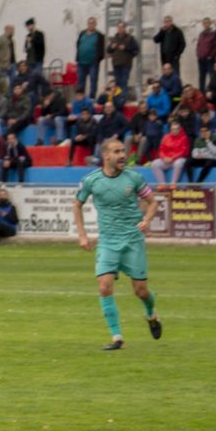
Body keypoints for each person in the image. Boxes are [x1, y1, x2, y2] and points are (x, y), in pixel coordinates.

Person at [75, 138, 161, 350]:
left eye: (124, 151)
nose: (123, 155)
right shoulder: (91, 180)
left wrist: (147, 220)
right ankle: (117, 338)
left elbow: (153, 202)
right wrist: (83, 235)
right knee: (104, 287)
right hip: (107, 242)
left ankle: (151, 314)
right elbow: (77, 205)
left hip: (133, 241)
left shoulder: (134, 178)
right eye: (117, 151)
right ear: (106, 156)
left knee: (141, 291)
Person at [76, 17, 107, 102]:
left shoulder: (99, 35)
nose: (91, 25)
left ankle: (91, 99)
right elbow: (78, 45)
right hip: (81, 63)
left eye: (93, 23)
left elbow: (102, 50)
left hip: (93, 63)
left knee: (93, 82)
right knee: (80, 83)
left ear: (95, 24)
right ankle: (81, 99)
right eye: (89, 23)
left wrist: (98, 59)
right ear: (87, 24)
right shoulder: (82, 33)